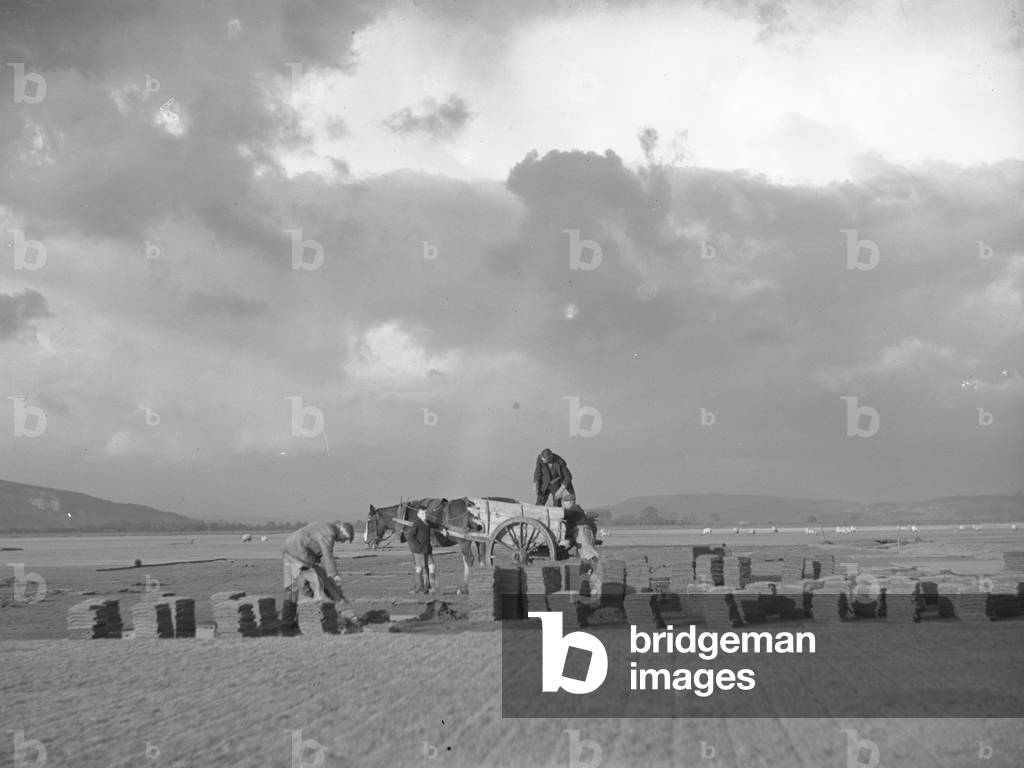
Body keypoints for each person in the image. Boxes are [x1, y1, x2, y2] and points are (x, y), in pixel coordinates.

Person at [280, 520, 357, 634]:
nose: (342, 541)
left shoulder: (324, 527)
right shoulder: (329, 532)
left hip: (289, 550)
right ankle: (322, 620)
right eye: (344, 539)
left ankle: (288, 624)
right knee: (314, 588)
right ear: (343, 532)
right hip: (300, 555)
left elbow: (320, 555)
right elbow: (327, 555)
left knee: (291, 590)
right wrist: (335, 577)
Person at [408, 506, 438, 595]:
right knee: (419, 568)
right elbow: (411, 536)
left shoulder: (427, 522)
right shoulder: (417, 523)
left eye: (425, 513)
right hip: (419, 550)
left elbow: (436, 525)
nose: (424, 515)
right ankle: (419, 588)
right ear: (418, 515)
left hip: (427, 549)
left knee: (432, 566)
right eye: (422, 513)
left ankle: (432, 588)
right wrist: (419, 545)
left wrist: (443, 528)